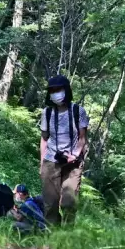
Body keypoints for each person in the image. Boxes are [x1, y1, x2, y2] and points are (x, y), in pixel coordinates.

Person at [39, 75, 89, 226]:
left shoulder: (78, 111)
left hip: (73, 162)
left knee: (69, 202)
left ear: (66, 90)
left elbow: (82, 137)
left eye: (58, 89)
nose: (55, 93)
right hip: (51, 160)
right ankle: (52, 239)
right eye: (52, 90)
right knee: (50, 204)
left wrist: (74, 155)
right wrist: (42, 164)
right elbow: (44, 139)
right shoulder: (46, 113)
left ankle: (67, 238)